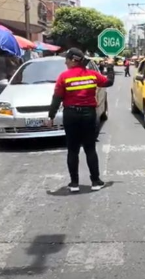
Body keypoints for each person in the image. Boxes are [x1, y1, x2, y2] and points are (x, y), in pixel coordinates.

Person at [46, 48, 114, 192]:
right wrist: (110, 67)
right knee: (90, 149)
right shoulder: (92, 75)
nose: (65, 62)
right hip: (89, 115)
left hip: (71, 115)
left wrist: (51, 116)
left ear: (73, 60)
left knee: (72, 150)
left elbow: (57, 98)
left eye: (67, 60)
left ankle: (74, 183)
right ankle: (95, 181)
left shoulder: (64, 77)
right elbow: (109, 82)